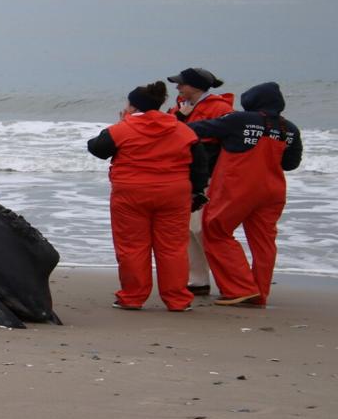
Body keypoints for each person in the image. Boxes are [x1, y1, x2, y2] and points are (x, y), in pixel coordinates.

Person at [86, 81, 209, 312]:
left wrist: (121, 124)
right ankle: (177, 300)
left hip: (132, 193)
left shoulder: (123, 128)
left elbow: (97, 149)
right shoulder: (182, 129)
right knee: (173, 247)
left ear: (132, 107)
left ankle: (132, 298)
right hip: (173, 193)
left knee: (132, 246)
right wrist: (198, 190)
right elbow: (200, 163)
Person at [187, 82, 303, 307]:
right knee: (264, 242)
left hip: (238, 187)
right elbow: (290, 164)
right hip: (273, 191)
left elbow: (198, 129)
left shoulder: (239, 120)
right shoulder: (289, 129)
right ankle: (259, 293)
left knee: (215, 230)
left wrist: (182, 118)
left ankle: (239, 289)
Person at [166, 68, 235, 297]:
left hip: (209, 177)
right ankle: (198, 280)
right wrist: (180, 117)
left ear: (195, 86)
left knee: (201, 228)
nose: (177, 88)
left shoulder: (221, 108)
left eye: (181, 84)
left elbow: (228, 143)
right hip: (182, 175)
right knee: (186, 229)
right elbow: (167, 132)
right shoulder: (178, 107)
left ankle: (230, 280)